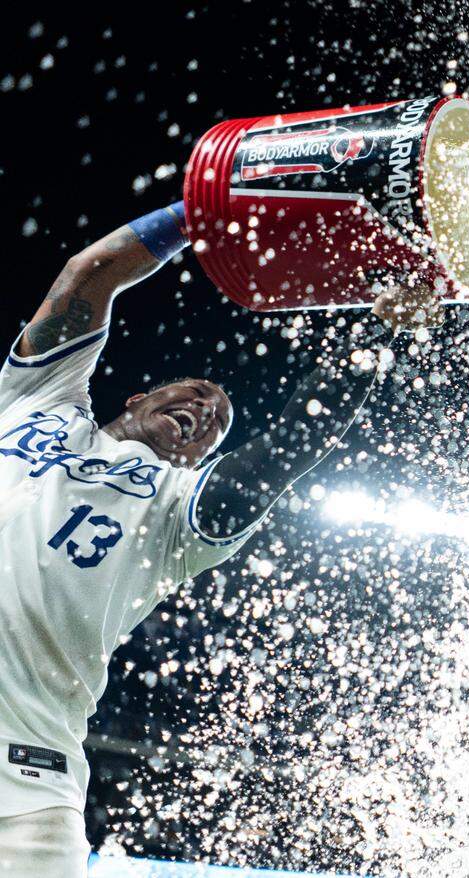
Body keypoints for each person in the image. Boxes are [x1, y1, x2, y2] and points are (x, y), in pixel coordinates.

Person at [0, 202, 428, 876]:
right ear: (138, 397)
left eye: (217, 425)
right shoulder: (37, 399)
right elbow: (89, 275)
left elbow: (294, 444)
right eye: (198, 393)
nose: (204, 410)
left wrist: (376, 328)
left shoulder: (177, 517)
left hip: (24, 783)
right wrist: (200, 211)